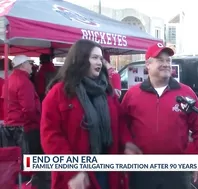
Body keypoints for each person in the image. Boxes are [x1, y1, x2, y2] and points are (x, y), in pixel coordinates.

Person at [121, 43, 198, 189]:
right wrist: (127, 144)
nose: (166, 64)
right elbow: (121, 126)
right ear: (148, 64)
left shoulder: (186, 93)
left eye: (168, 60)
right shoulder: (133, 94)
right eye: (160, 60)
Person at [40, 39, 126, 189]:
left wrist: (128, 143)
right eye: (94, 58)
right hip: (77, 176)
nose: (99, 62)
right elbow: (51, 136)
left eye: (101, 58)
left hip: (107, 171)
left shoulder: (107, 91)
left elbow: (121, 123)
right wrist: (74, 170)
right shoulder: (59, 93)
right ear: (80, 59)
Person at [2, 55, 49, 188]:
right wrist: (38, 123)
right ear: (22, 65)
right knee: (31, 162)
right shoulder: (24, 82)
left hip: (11, 126)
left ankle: (20, 183)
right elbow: (29, 109)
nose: (31, 66)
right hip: (26, 127)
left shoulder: (9, 80)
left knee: (16, 162)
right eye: (29, 63)